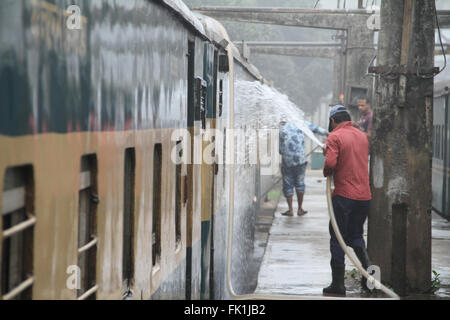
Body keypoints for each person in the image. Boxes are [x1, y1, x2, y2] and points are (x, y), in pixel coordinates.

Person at [322, 105, 372, 297]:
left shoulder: (335, 136)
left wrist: (326, 170)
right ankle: (369, 276)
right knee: (356, 235)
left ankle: (337, 284)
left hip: (344, 196)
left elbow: (330, 164)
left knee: (337, 237)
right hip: (364, 197)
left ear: (333, 121)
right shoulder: (361, 136)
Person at [279, 116, 327, 217]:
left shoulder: (282, 126)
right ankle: (300, 209)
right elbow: (316, 129)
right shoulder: (301, 123)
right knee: (300, 184)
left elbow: (280, 149)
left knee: (288, 185)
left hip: (287, 161)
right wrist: (328, 133)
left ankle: (290, 210)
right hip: (300, 160)